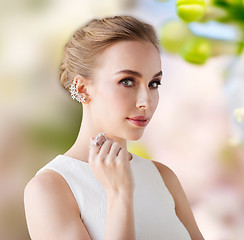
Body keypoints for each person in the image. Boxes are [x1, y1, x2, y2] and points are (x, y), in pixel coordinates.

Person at [24, 15, 204, 240]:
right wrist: (119, 195)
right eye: (127, 81)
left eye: (153, 83)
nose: (146, 101)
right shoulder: (49, 188)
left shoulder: (163, 177)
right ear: (82, 88)